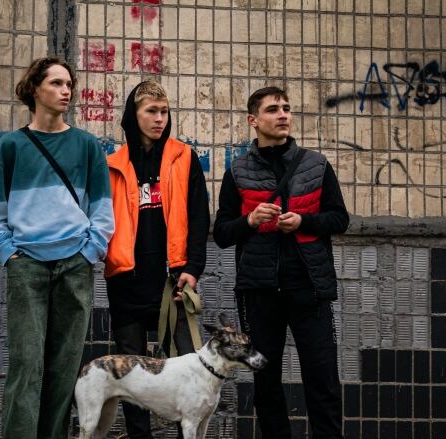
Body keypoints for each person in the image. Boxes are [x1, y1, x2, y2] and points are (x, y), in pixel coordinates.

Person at [0, 57, 114, 439]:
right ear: (34, 89)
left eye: (69, 84)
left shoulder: (88, 145)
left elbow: (102, 211)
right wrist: (9, 253)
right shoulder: (9, 147)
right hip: (27, 266)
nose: (66, 91)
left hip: (75, 263)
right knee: (26, 364)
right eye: (57, 83)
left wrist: (90, 252)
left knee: (65, 367)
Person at [212, 87, 349, 439]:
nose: (284, 115)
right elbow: (223, 233)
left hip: (310, 288)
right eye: (273, 109)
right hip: (259, 293)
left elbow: (339, 219)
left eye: (287, 108)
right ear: (253, 120)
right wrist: (251, 221)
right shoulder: (238, 171)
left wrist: (305, 222)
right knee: (266, 383)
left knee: (323, 381)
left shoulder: (315, 165)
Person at [104, 80, 210, 438]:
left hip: (174, 283)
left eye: (164, 111)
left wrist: (192, 270)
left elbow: (199, 218)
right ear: (133, 116)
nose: (160, 119)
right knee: (133, 379)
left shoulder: (183, 156)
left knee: (188, 371)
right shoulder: (113, 164)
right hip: (126, 283)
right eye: (151, 111)